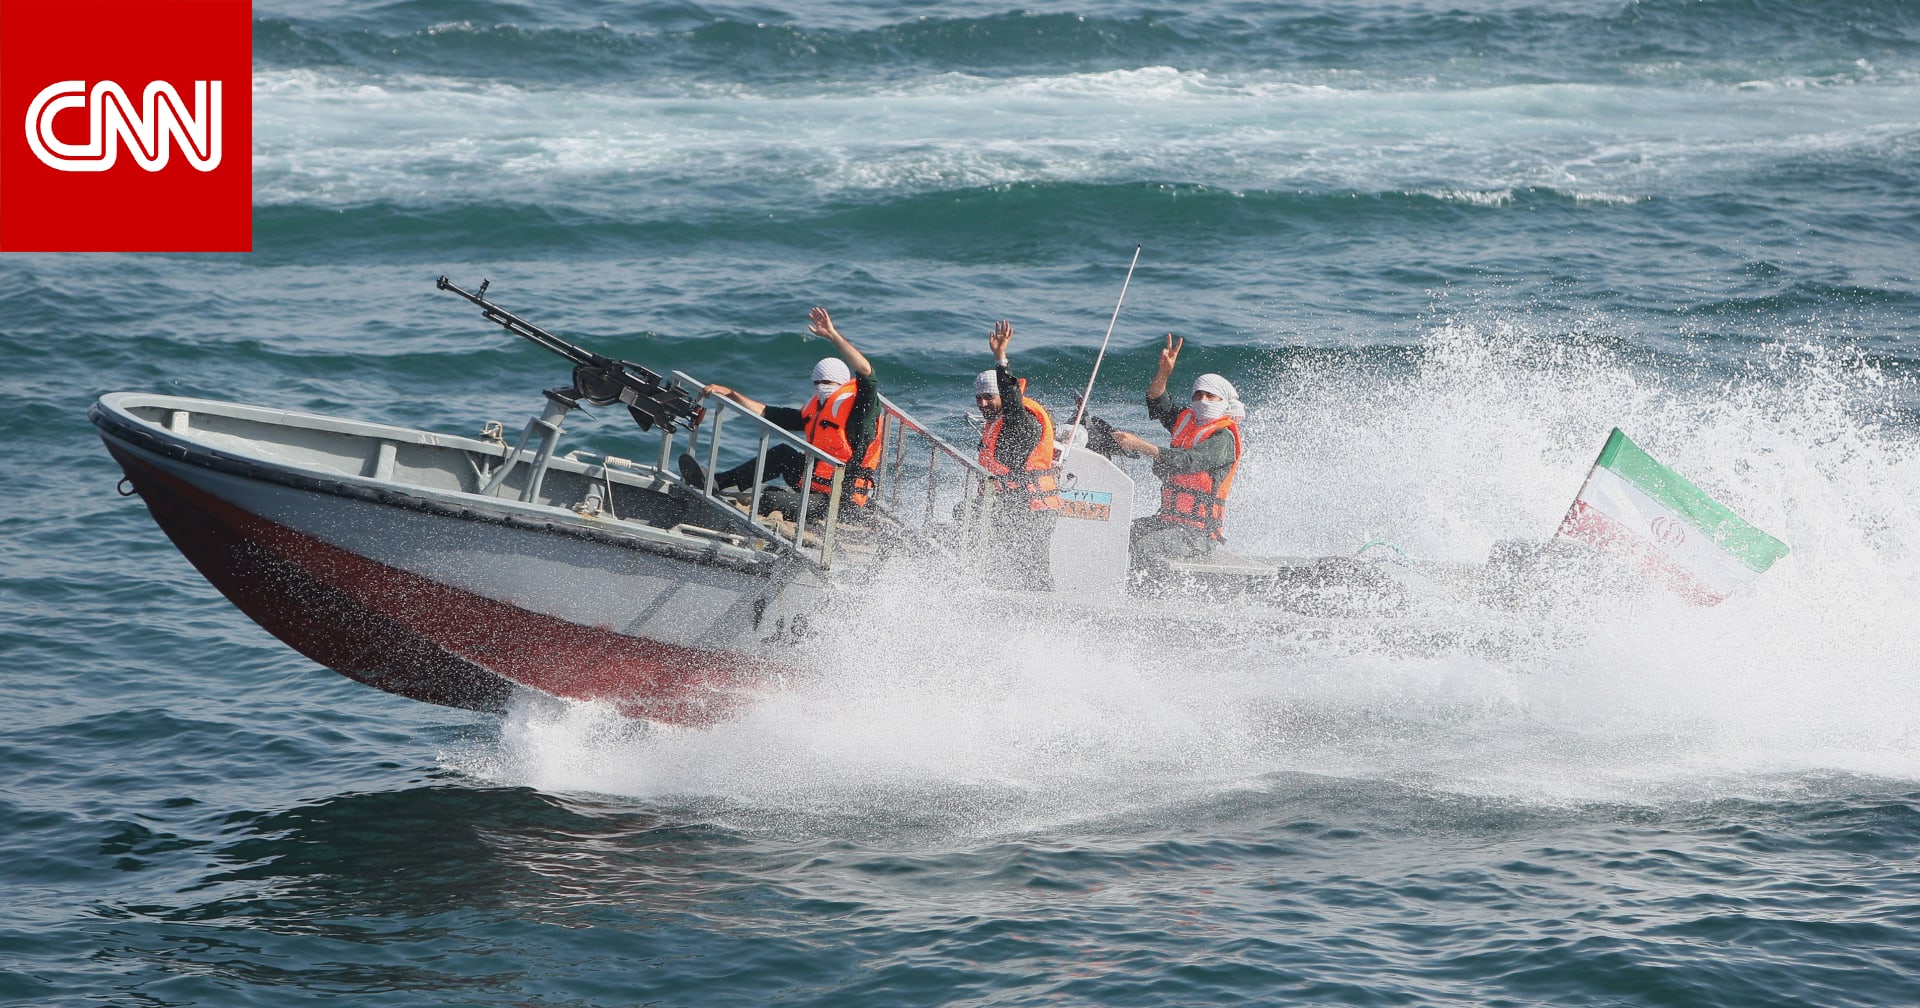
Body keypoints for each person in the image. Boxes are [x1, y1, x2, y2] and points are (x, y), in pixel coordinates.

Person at [681, 306, 882, 522]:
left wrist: (832, 336)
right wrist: (731, 394)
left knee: (769, 499)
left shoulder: (861, 411)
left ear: (842, 384)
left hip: (841, 501)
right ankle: (717, 482)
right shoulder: (818, 410)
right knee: (782, 453)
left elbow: (867, 373)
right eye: (817, 383)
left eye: (828, 383)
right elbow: (769, 413)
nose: (822, 387)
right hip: (814, 484)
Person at [1108, 333, 1245, 570]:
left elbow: (1187, 461)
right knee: (1118, 534)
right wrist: (1164, 372)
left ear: (1224, 402)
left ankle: (1146, 599)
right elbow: (1158, 402)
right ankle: (1112, 586)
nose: (1203, 400)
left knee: (1146, 546)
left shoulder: (1223, 438)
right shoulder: (1186, 421)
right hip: (1168, 520)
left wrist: (1141, 445)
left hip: (1199, 533)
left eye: (1210, 396)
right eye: (1198, 395)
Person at [971, 319, 1063, 588]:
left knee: (1032, 567)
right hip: (1010, 500)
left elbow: (1011, 399)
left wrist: (1001, 358)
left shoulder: (1019, 420)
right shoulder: (996, 423)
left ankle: (1043, 611)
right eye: (979, 398)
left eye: (989, 396)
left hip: (1033, 506)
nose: (983, 403)